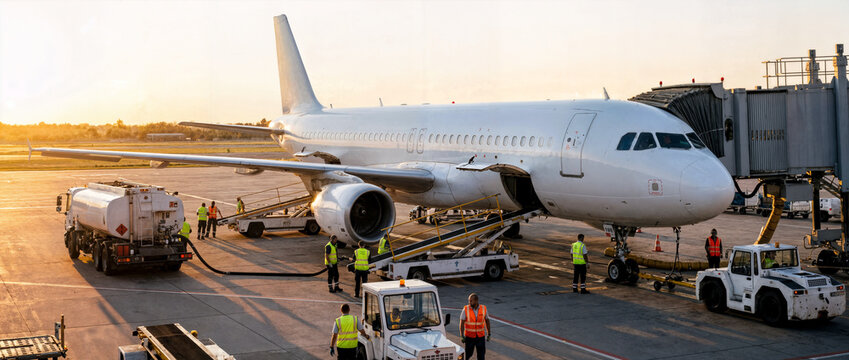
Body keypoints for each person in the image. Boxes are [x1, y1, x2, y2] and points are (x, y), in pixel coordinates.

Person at [460, 293, 490, 360]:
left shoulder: (483, 308)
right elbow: (461, 323)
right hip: (469, 337)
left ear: (476, 301)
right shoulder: (466, 309)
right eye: (469, 300)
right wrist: (461, 335)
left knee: (481, 356)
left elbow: (487, 321)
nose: (469, 302)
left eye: (471, 301)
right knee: (467, 355)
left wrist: (489, 334)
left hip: (480, 337)